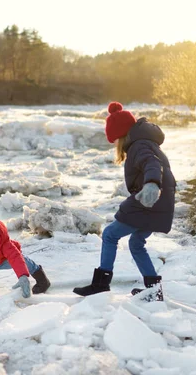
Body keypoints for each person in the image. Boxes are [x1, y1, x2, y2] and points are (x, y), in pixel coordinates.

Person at [73, 102, 176, 300]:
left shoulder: (139, 146)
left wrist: (152, 184)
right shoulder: (145, 142)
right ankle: (154, 289)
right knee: (136, 243)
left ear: (122, 135)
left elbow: (152, 164)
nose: (116, 145)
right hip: (158, 201)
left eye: (116, 140)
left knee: (110, 234)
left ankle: (101, 284)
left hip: (150, 200)